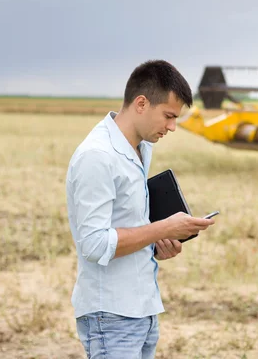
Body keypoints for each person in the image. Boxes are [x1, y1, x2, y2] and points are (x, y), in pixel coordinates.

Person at [66, 59, 215, 359]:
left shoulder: (141, 148)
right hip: (111, 315)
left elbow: (129, 225)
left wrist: (159, 247)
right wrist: (165, 227)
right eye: (169, 116)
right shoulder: (98, 156)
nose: (173, 127)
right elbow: (94, 245)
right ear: (142, 103)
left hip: (142, 310)